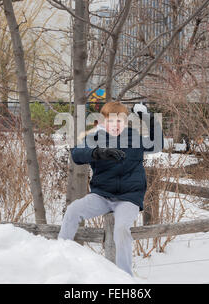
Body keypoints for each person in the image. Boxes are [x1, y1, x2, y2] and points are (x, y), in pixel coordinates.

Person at [58, 101, 163, 276]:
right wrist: (97, 153)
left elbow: (157, 144)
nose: (115, 126)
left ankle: (125, 276)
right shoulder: (95, 138)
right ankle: (59, 256)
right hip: (102, 195)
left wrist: (148, 118)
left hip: (129, 197)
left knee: (121, 229)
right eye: (111, 122)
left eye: (119, 122)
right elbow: (76, 154)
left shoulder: (134, 138)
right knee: (73, 210)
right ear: (103, 121)